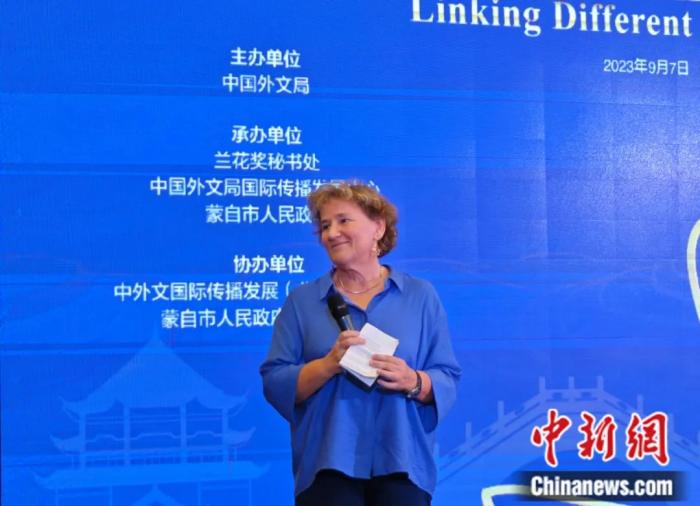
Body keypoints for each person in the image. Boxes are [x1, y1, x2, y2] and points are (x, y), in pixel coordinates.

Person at [260, 181, 461, 506]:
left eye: (343, 220)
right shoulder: (302, 302)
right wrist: (328, 365)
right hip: (326, 466)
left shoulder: (419, 296)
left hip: (403, 464)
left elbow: (446, 376)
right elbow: (275, 381)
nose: (331, 233)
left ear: (378, 228)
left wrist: (413, 380)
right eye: (325, 225)